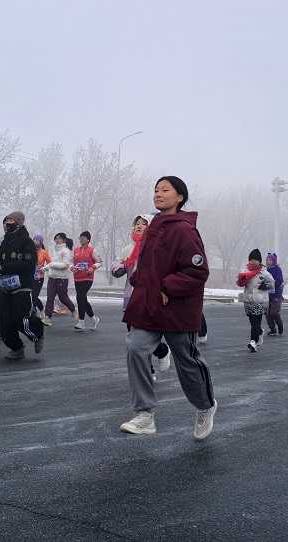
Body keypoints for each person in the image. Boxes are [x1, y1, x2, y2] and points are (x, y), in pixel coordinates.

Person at [120, 176, 217, 440]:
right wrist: (138, 280)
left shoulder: (185, 230)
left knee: (187, 363)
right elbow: (148, 264)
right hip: (148, 304)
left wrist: (167, 287)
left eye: (165, 190)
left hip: (177, 308)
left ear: (180, 197)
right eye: (156, 190)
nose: (158, 194)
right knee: (136, 347)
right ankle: (144, 414)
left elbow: (197, 271)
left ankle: (205, 406)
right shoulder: (153, 227)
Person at [113, 214, 171, 373]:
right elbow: (118, 262)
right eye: (137, 223)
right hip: (131, 295)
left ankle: (162, 351)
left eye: (144, 223)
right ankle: (149, 370)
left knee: (145, 334)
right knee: (133, 335)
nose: (139, 226)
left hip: (149, 295)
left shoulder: (155, 247)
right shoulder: (128, 248)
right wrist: (117, 268)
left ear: (151, 228)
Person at [0, 211, 44, 359]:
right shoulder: (5, 242)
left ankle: (38, 333)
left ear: (18, 222)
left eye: (10, 220)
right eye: (5, 221)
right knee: (4, 320)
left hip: (22, 286)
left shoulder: (26, 241)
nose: (6, 223)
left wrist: (5, 268)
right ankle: (16, 348)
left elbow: (27, 263)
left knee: (19, 317)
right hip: (4, 287)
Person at [237, 249, 273, 351]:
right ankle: (260, 331)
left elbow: (272, 283)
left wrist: (265, 286)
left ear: (259, 261)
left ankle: (253, 341)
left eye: (255, 260)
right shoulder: (245, 271)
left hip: (260, 301)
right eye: (251, 260)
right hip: (248, 300)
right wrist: (241, 280)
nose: (253, 262)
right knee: (252, 320)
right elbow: (238, 282)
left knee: (255, 322)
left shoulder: (264, 272)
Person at [42, 233, 76, 325]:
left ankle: (73, 309)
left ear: (64, 240)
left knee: (63, 298)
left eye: (59, 238)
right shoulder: (55, 251)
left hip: (62, 278)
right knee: (50, 297)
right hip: (52, 278)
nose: (57, 240)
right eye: (56, 238)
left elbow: (66, 265)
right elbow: (52, 263)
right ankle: (48, 318)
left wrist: (52, 265)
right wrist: (45, 268)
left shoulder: (66, 251)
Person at [72, 231, 103, 331]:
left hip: (87, 278)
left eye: (83, 237)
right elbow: (71, 262)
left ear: (88, 239)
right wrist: (73, 268)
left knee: (79, 297)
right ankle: (94, 319)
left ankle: (81, 322)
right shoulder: (76, 250)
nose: (81, 239)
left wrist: (93, 267)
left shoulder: (92, 251)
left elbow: (100, 262)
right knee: (83, 300)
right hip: (77, 278)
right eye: (80, 237)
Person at [32, 234, 50, 314]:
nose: (35, 241)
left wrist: (44, 268)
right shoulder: (30, 250)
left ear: (40, 242)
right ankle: (42, 309)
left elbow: (50, 263)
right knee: (31, 295)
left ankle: (34, 310)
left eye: (37, 240)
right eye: (34, 239)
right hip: (30, 276)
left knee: (34, 295)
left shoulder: (44, 252)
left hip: (39, 277)